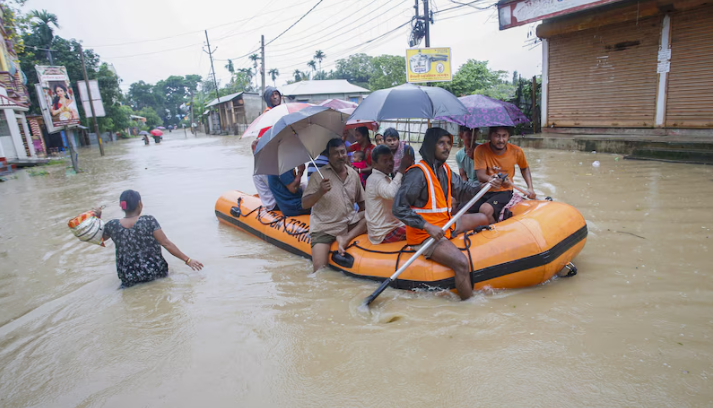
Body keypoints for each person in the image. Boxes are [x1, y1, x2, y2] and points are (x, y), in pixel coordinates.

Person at [393, 127, 502, 300]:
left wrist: (485, 186)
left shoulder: (444, 169)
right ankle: (468, 305)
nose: (446, 147)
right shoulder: (417, 174)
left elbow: (463, 190)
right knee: (461, 263)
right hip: (425, 235)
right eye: (441, 143)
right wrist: (427, 226)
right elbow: (398, 208)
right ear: (430, 145)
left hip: (445, 224)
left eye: (449, 143)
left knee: (483, 218)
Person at [95, 190, 203, 288]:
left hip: (129, 278)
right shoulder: (148, 221)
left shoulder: (113, 225)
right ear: (140, 204)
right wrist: (188, 260)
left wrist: (97, 218)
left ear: (121, 206)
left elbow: (98, 239)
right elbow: (166, 243)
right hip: (155, 273)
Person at [302, 138, 366, 271]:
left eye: (342, 152)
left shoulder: (353, 174)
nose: (340, 156)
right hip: (325, 228)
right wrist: (320, 191)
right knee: (320, 271)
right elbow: (305, 204)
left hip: (348, 223)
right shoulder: (318, 176)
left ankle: (345, 239)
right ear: (328, 156)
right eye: (335, 153)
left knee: (370, 215)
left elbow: (362, 203)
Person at [472, 126, 535, 224]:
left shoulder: (516, 151)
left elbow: (524, 168)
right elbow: (481, 175)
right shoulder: (480, 150)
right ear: (490, 135)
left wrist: (530, 188)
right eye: (497, 136)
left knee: (485, 210)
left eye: (504, 136)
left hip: (504, 191)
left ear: (508, 136)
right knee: (459, 207)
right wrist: (491, 179)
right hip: (485, 189)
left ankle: (496, 231)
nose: (501, 140)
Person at [365, 144, 413, 244]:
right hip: (384, 232)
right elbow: (392, 194)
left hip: (389, 227)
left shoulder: (382, 177)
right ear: (374, 163)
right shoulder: (376, 179)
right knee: (422, 230)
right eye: (385, 161)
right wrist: (401, 169)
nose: (390, 163)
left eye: (391, 159)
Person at [251, 139, 277, 211]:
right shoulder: (262, 168)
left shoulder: (260, 166)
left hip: (271, 202)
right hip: (274, 204)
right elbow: (277, 186)